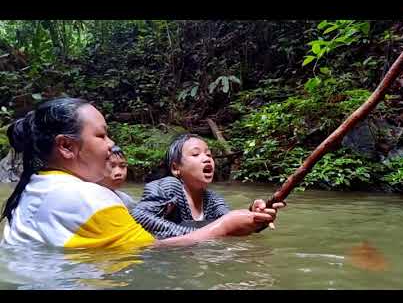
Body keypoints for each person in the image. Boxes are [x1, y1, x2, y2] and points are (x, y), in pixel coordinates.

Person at [0, 97, 278, 249]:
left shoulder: (40, 186)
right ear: (66, 146)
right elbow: (149, 251)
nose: (111, 146)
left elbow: (226, 220)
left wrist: (253, 218)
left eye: (209, 154)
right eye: (102, 135)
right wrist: (223, 227)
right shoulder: (89, 196)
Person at [131, 133, 285, 239]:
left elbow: (230, 224)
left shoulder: (212, 199)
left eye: (209, 154)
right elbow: (139, 217)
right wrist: (200, 234)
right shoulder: (169, 186)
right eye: (196, 154)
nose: (206, 159)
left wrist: (255, 216)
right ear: (175, 168)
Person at [98, 145, 137, 212]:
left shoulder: (127, 202)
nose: (118, 173)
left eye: (122, 166)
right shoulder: (85, 198)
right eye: (111, 166)